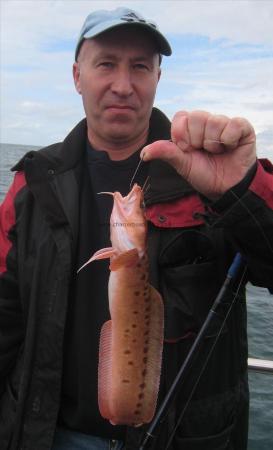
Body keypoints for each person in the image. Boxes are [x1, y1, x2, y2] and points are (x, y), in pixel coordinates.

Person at [0, 6, 273, 450]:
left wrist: (242, 190)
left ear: (158, 78)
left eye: (140, 67)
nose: (123, 85)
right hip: (49, 435)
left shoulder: (210, 178)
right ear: (77, 75)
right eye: (106, 63)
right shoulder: (32, 184)